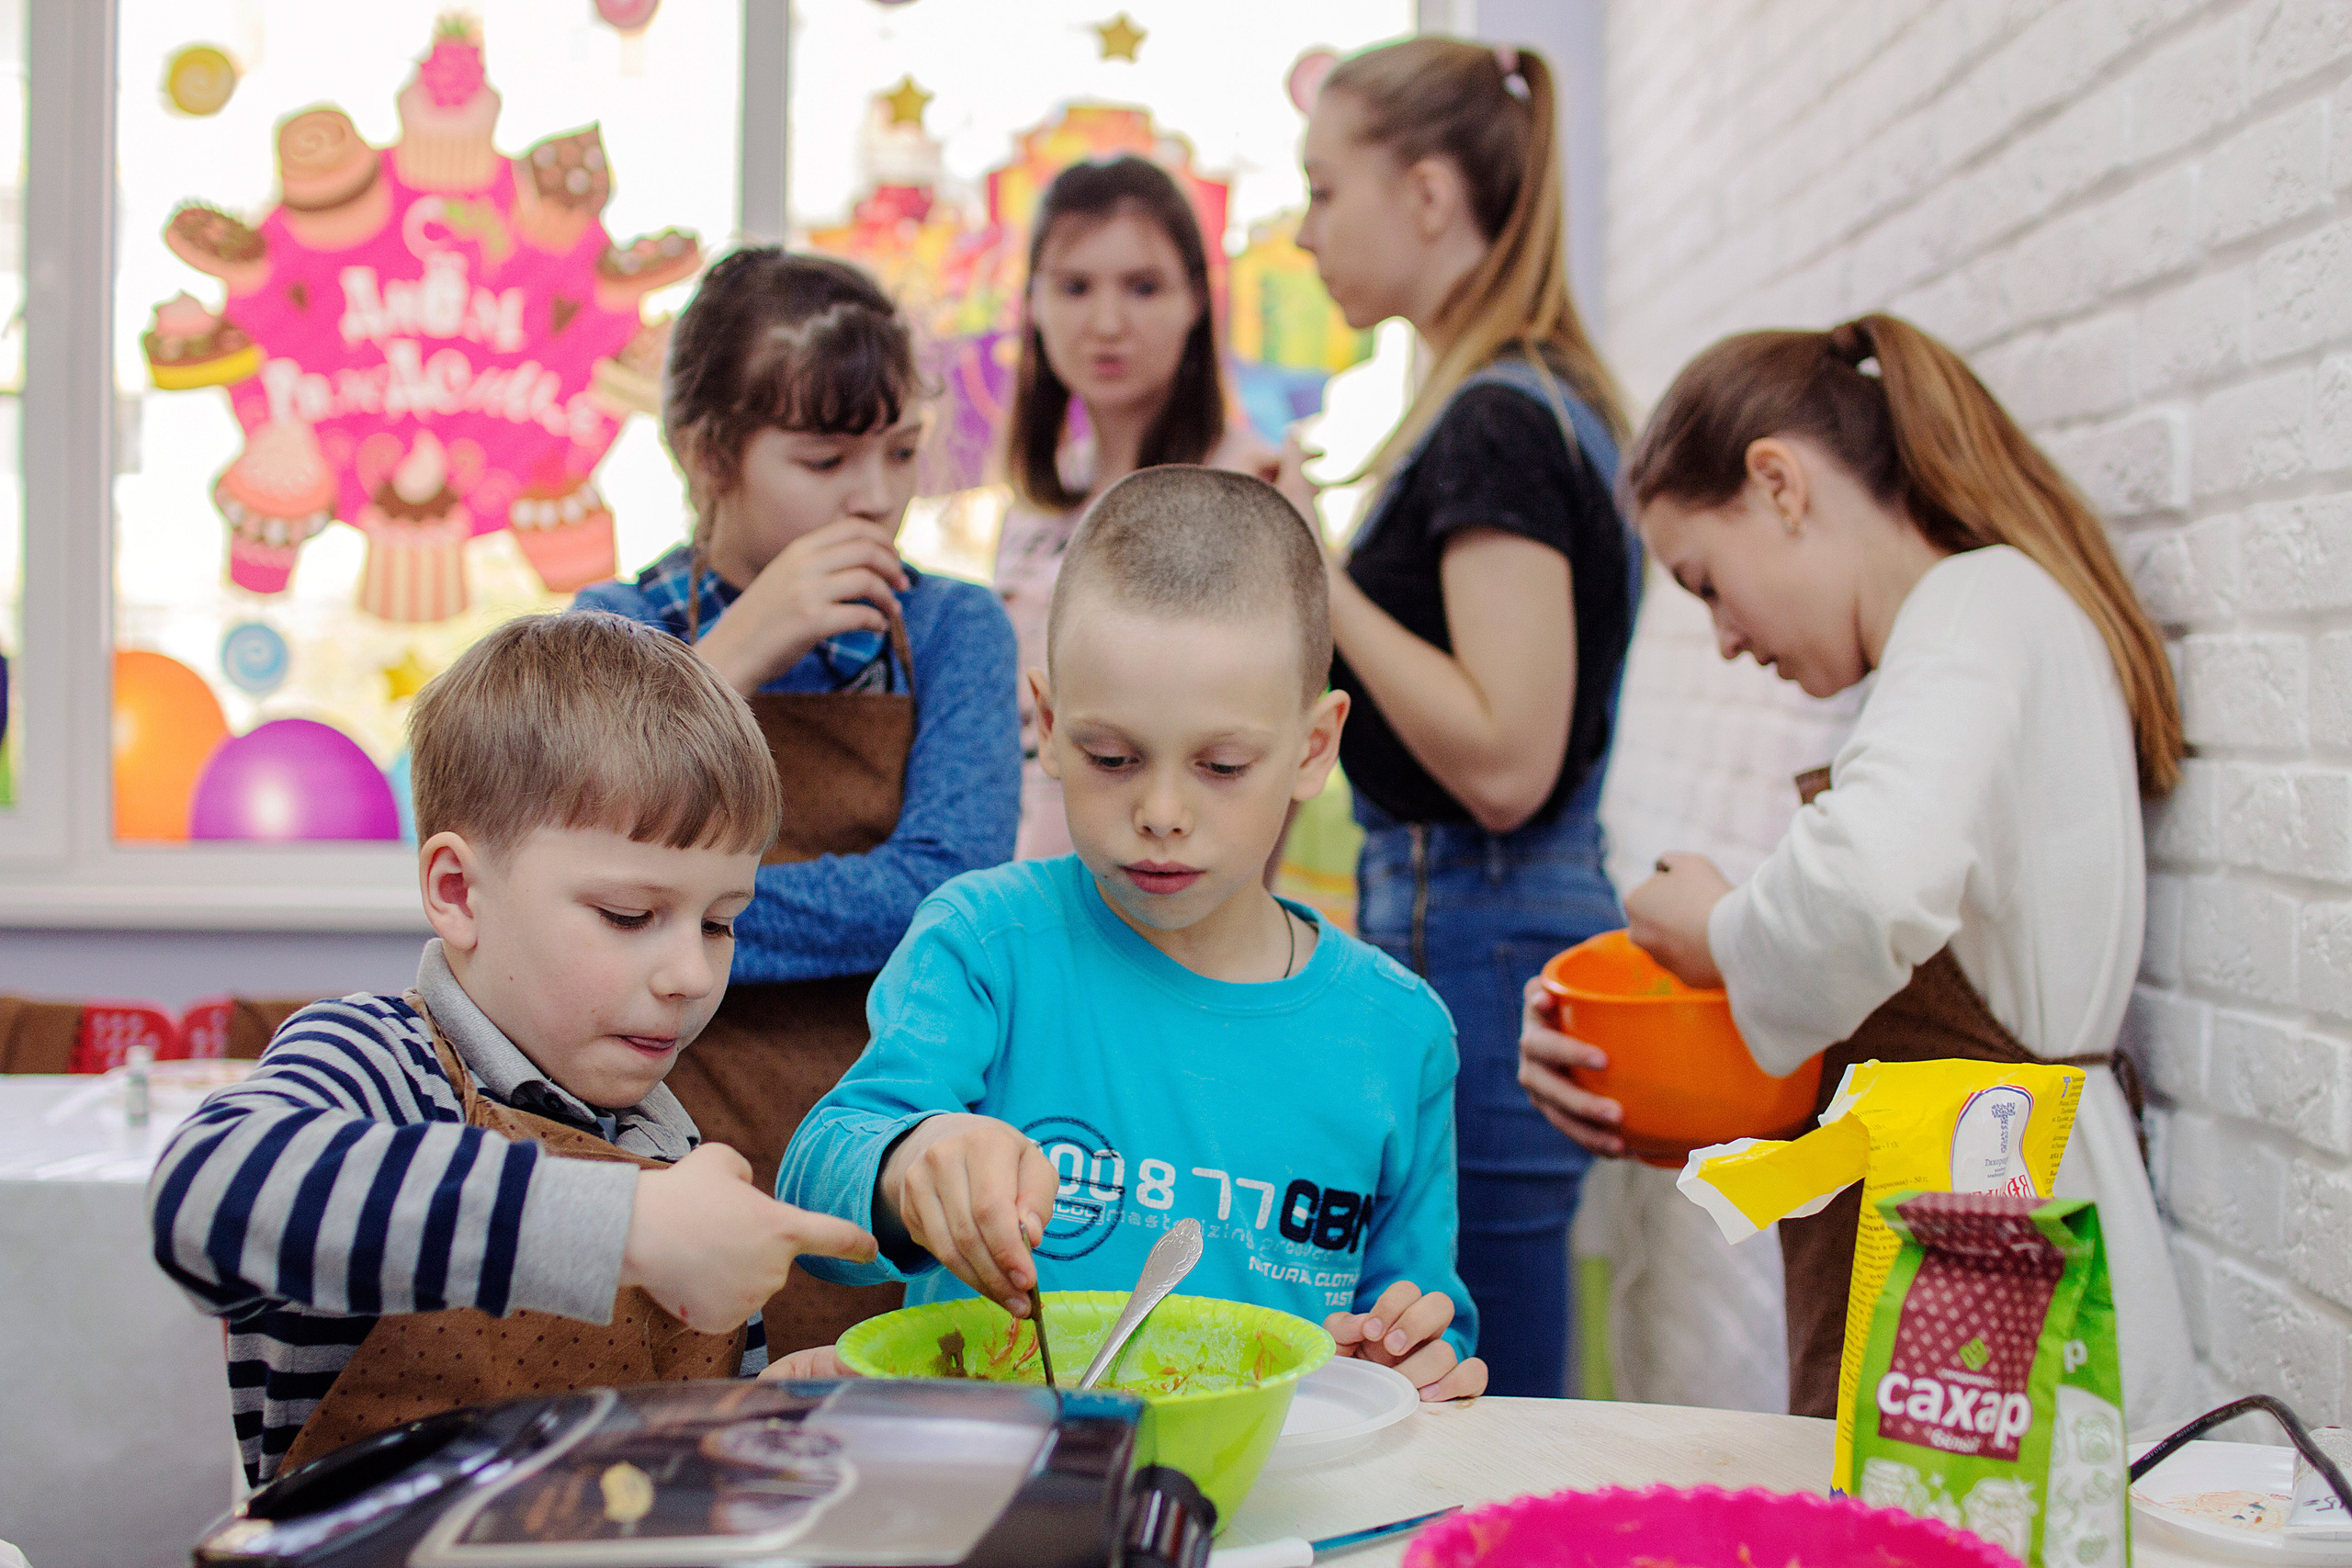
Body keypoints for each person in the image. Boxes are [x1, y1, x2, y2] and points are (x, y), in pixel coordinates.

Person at [1517, 313, 2199, 1428]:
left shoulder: (1975, 608)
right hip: (1972, 1218)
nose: (1725, 638)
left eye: (1705, 583)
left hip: (1997, 1244)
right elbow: (1863, 979)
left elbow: (1866, 892)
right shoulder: (1970, 631)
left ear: (1778, 484)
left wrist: (1721, 929)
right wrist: (1618, 1059)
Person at [775, 467, 1487, 1400]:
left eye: (1221, 765)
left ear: (1314, 748)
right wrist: (913, 1161)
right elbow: (817, 1179)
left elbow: (1422, 1312)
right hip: (1001, 1468)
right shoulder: (986, 944)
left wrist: (1407, 1354)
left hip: (1273, 1482)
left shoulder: (1398, 1033)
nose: (1160, 811)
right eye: (1111, 757)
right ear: (1049, 726)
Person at [147, 614, 876, 1484]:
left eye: (720, 922)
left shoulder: (670, 1146)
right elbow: (202, 1198)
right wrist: (624, 1225)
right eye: (629, 915)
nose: (690, 973)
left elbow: (656, 1468)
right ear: (459, 891)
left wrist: (762, 1408)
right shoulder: (379, 1060)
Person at [576, 249, 1021, 1357]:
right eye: (824, 459)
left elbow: (942, 892)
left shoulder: (956, 630)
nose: (875, 496)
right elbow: (558, 875)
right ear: (705, 453)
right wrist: (724, 661)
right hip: (652, 1143)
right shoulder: (611, 628)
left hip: (888, 1148)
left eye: (901, 452)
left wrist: (664, 913)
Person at [1277, 36, 1638, 1398]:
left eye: (1325, 189)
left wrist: (1319, 573)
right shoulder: (1514, 401)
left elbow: (1502, 757)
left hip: (1482, 921)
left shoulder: (1498, 420)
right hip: (1484, 920)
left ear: (1428, 194)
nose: (1304, 231)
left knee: (1487, 1386)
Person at [996, 154, 1277, 858]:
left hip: (1167, 889)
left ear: (1195, 300)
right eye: (1074, 286)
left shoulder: (1247, 484)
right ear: (1033, 301)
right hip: (1023, 892)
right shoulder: (1034, 504)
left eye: (1143, 287)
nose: (1107, 322)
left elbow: (1271, 750)